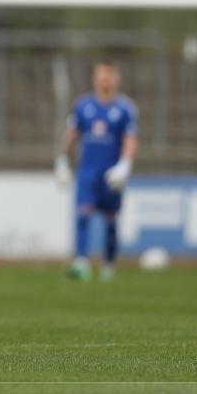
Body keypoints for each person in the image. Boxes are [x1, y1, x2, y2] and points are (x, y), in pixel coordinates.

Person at [56, 60, 138, 281]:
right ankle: (81, 263)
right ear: (94, 79)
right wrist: (63, 160)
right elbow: (72, 134)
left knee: (111, 221)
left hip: (111, 174)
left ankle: (108, 265)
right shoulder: (82, 106)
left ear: (116, 79)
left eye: (109, 76)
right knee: (83, 215)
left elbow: (130, 139)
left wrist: (125, 164)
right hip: (87, 172)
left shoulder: (125, 109)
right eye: (101, 76)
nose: (105, 80)